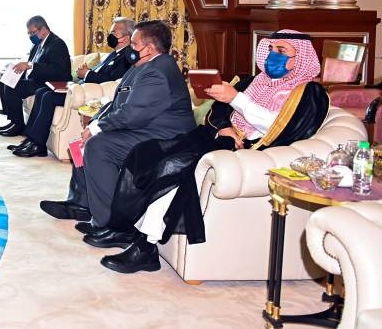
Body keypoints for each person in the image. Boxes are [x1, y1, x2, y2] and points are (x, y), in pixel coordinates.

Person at [100, 30, 327, 274]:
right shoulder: (253, 82)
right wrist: (224, 127)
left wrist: (237, 99)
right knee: (146, 152)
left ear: (301, 58)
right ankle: (123, 225)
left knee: (174, 168)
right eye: (271, 49)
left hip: (248, 151)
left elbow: (282, 127)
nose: (274, 56)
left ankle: (146, 247)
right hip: (218, 138)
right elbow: (217, 112)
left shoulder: (310, 94)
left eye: (282, 52)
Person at [38, 20, 195, 250]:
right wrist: (96, 122)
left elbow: (132, 113)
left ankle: (116, 226)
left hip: (165, 140)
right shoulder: (141, 66)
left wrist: (97, 129)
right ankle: (86, 206)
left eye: (134, 43)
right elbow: (118, 101)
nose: (129, 48)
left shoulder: (159, 71)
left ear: (149, 48)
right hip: (145, 128)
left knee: (99, 146)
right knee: (85, 141)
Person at [10, 17, 135, 158]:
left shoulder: (127, 58)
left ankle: (38, 145)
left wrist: (87, 74)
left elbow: (110, 80)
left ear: (126, 38)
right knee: (41, 92)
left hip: (90, 95)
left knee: (48, 97)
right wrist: (87, 71)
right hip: (80, 88)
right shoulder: (113, 54)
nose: (110, 36)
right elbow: (101, 73)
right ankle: (31, 139)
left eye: (114, 33)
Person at [0, 16, 71, 137]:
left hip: (48, 83)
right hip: (35, 79)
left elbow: (58, 71)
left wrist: (31, 65)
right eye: (29, 33)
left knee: (12, 87)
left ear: (44, 29)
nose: (31, 36)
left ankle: (18, 125)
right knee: (5, 80)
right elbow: (31, 63)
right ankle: (13, 121)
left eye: (33, 32)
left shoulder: (57, 44)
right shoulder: (37, 44)